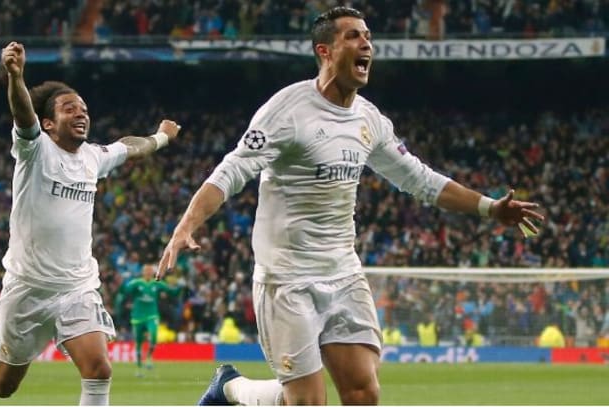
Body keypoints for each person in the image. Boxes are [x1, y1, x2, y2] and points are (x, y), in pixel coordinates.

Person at [157, 6, 543, 406]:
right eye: (353, 36)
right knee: (307, 403)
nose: (366, 44)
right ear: (324, 51)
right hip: (287, 277)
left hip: (343, 272)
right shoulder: (287, 110)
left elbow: (420, 179)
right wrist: (187, 225)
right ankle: (231, 388)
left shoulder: (368, 119)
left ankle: (237, 387)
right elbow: (231, 171)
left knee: (363, 392)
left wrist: (490, 208)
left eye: (368, 36)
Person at [0, 41, 181, 406]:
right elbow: (23, 115)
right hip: (28, 287)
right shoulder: (35, 150)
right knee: (2, 385)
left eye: (84, 109)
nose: (81, 114)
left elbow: (129, 146)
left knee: (99, 369)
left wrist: (161, 137)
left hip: (76, 287)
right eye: (69, 109)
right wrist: (16, 77)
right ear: (48, 123)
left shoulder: (93, 157)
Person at [114, 264, 183, 376]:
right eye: (146, 270)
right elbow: (125, 292)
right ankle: (139, 368)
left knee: (154, 335)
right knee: (138, 343)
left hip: (152, 315)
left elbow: (172, 293)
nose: (148, 272)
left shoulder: (157, 283)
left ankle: (149, 357)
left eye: (150, 271)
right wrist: (121, 283)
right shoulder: (136, 283)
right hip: (138, 317)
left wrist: (180, 286)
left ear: (153, 272)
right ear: (143, 272)